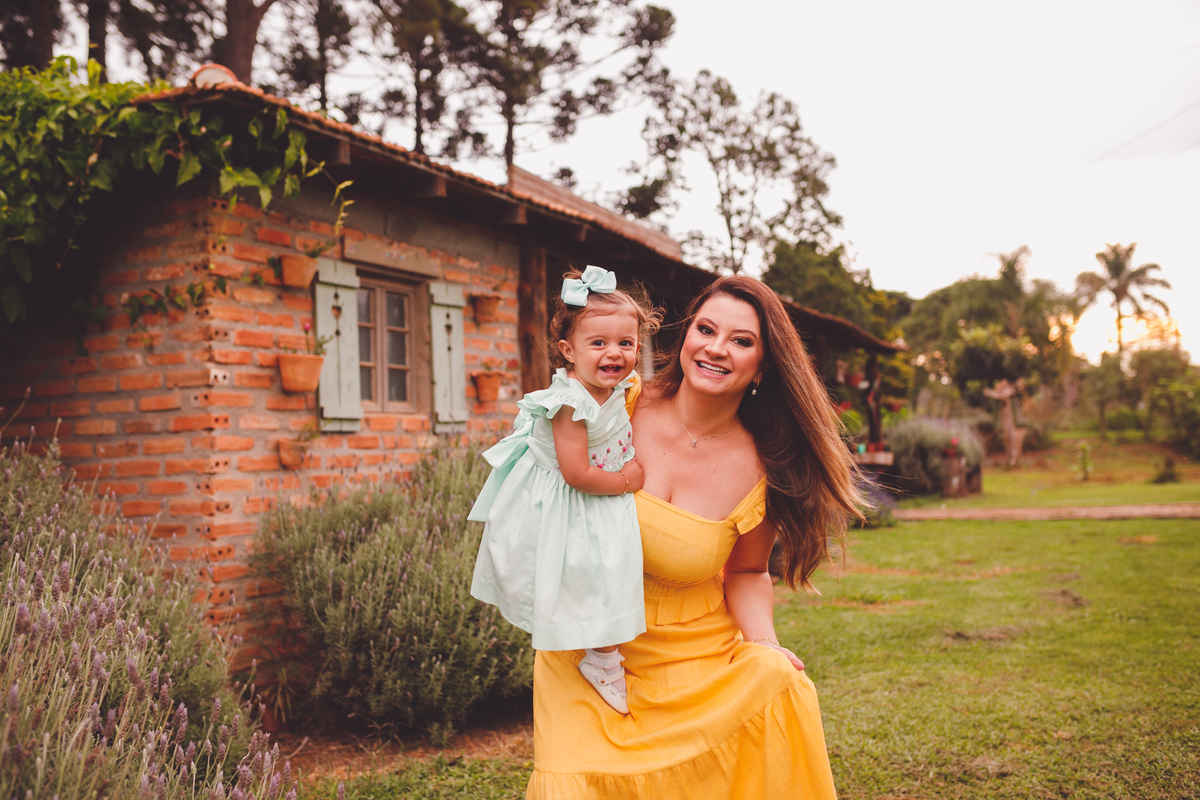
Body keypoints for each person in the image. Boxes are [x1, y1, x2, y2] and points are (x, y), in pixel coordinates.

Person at [525, 275, 865, 798]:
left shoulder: (765, 468)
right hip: (588, 646)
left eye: (741, 340)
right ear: (685, 337)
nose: (716, 348)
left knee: (777, 683)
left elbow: (747, 571)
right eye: (706, 329)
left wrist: (766, 644)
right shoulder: (614, 403)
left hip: (694, 662)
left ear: (764, 365)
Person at [469, 265, 662, 715]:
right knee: (589, 568)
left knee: (610, 567)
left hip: (595, 487)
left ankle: (601, 647)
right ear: (568, 351)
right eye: (598, 343)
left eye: (626, 343)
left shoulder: (618, 385)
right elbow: (576, 473)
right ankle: (602, 659)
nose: (614, 353)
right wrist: (627, 480)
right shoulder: (570, 404)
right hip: (569, 495)